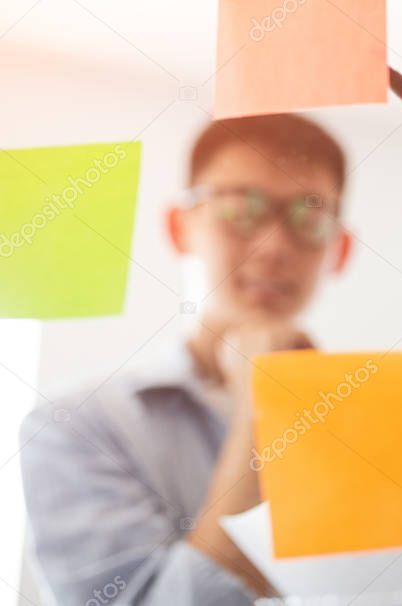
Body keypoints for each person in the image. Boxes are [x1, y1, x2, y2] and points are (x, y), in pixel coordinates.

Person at [20, 114, 352, 604]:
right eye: (242, 209)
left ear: (339, 248)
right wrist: (265, 406)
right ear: (179, 227)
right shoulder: (75, 426)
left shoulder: (365, 424)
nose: (274, 246)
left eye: (310, 218)